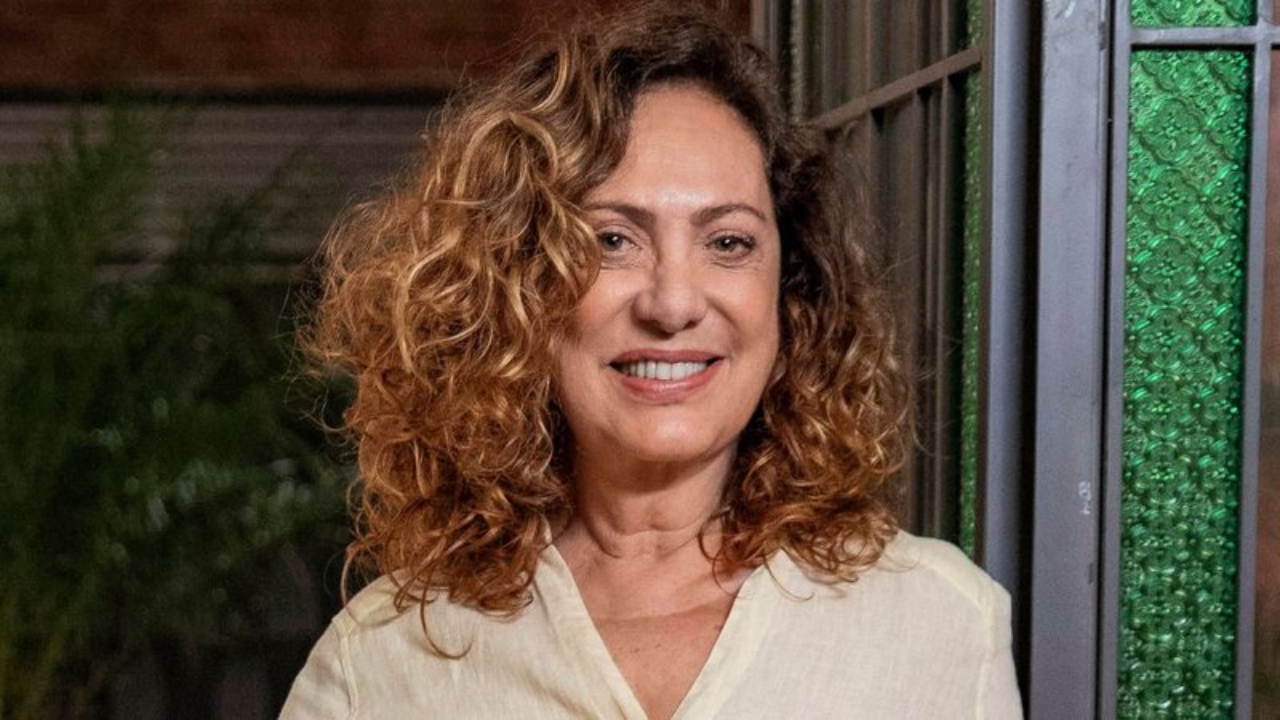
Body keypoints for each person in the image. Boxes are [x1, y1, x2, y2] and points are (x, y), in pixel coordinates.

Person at [281, 3, 1021, 718]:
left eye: (727, 242)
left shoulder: (935, 624)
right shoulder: (377, 667)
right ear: (514, 288)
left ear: (791, 290)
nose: (672, 304)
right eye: (612, 241)